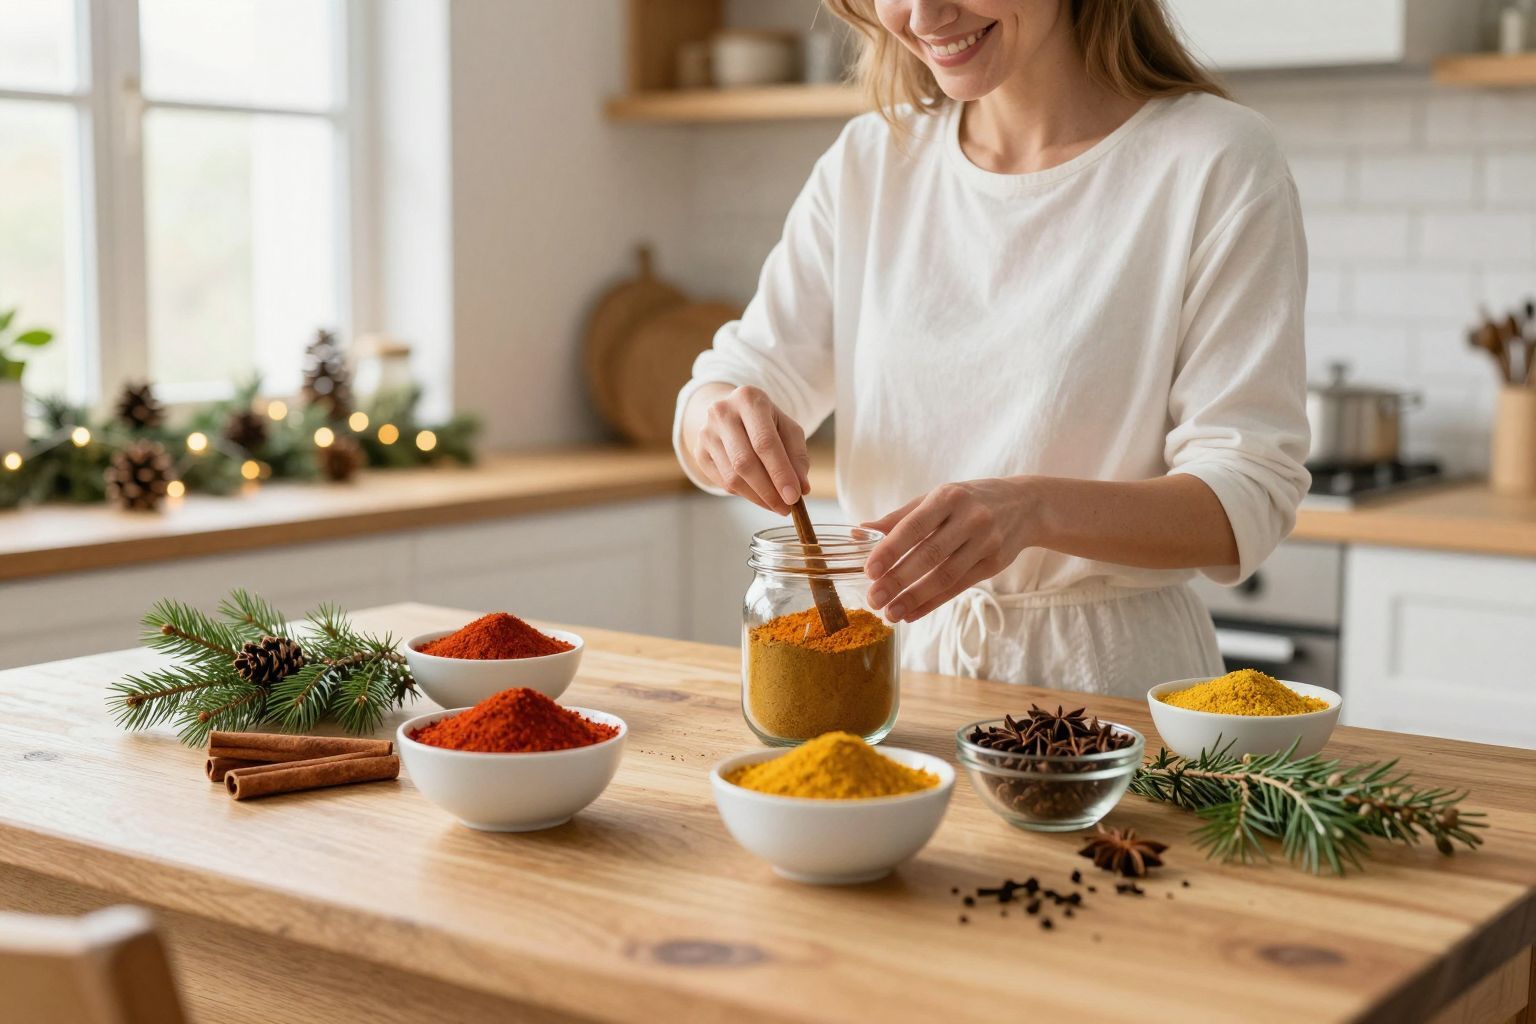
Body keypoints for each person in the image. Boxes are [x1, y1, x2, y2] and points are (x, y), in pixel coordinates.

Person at [672, 0, 1310, 697]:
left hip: (1111, 692)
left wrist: (1033, 510)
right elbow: (735, 380)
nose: (923, 14)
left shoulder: (1215, 160)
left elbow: (1246, 497)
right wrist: (720, 420)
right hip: (896, 679)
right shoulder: (870, 161)